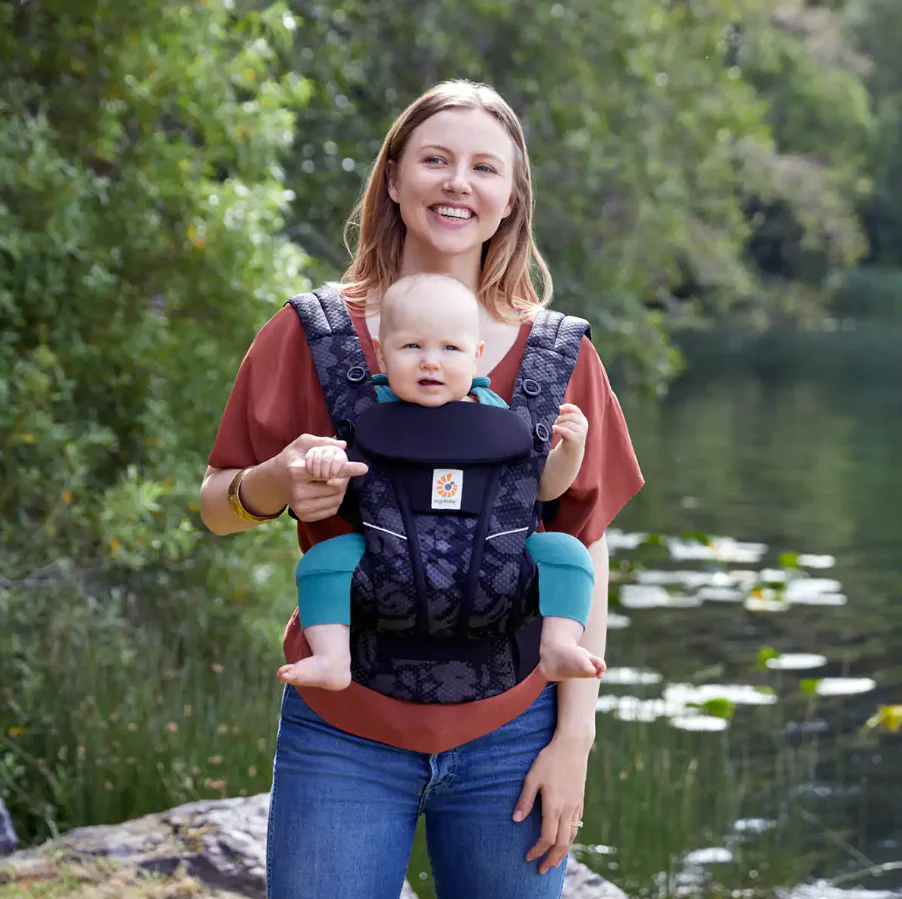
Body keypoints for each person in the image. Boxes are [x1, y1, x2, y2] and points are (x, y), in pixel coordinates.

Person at [201, 80, 643, 899]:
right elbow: (216, 504)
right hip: (344, 734)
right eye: (435, 160)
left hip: (513, 731)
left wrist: (573, 739)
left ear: (510, 199)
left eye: (484, 167)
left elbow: (583, 541)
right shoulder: (312, 332)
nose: (457, 183)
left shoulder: (561, 356)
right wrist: (276, 483)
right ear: (394, 178)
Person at [278, 271, 605, 693]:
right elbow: (341, 467)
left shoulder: (499, 416)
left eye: (450, 348)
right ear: (380, 354)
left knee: (568, 553)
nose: (430, 361)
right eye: (411, 346)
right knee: (322, 563)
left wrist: (570, 452)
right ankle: (331, 656)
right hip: (383, 559)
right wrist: (325, 459)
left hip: (496, 557)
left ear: (476, 356)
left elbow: (540, 488)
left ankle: (559, 644)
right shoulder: (368, 412)